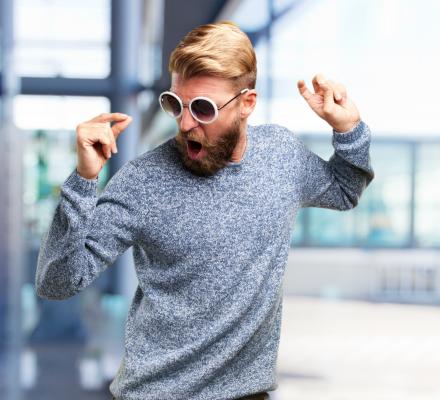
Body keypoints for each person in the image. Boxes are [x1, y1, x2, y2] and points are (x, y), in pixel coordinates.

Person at [35, 21, 374, 400]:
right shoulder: (143, 180)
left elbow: (345, 190)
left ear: (247, 103)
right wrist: (83, 180)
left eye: (202, 108)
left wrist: (349, 129)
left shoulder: (281, 156)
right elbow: (56, 283)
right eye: (175, 104)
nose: (185, 123)